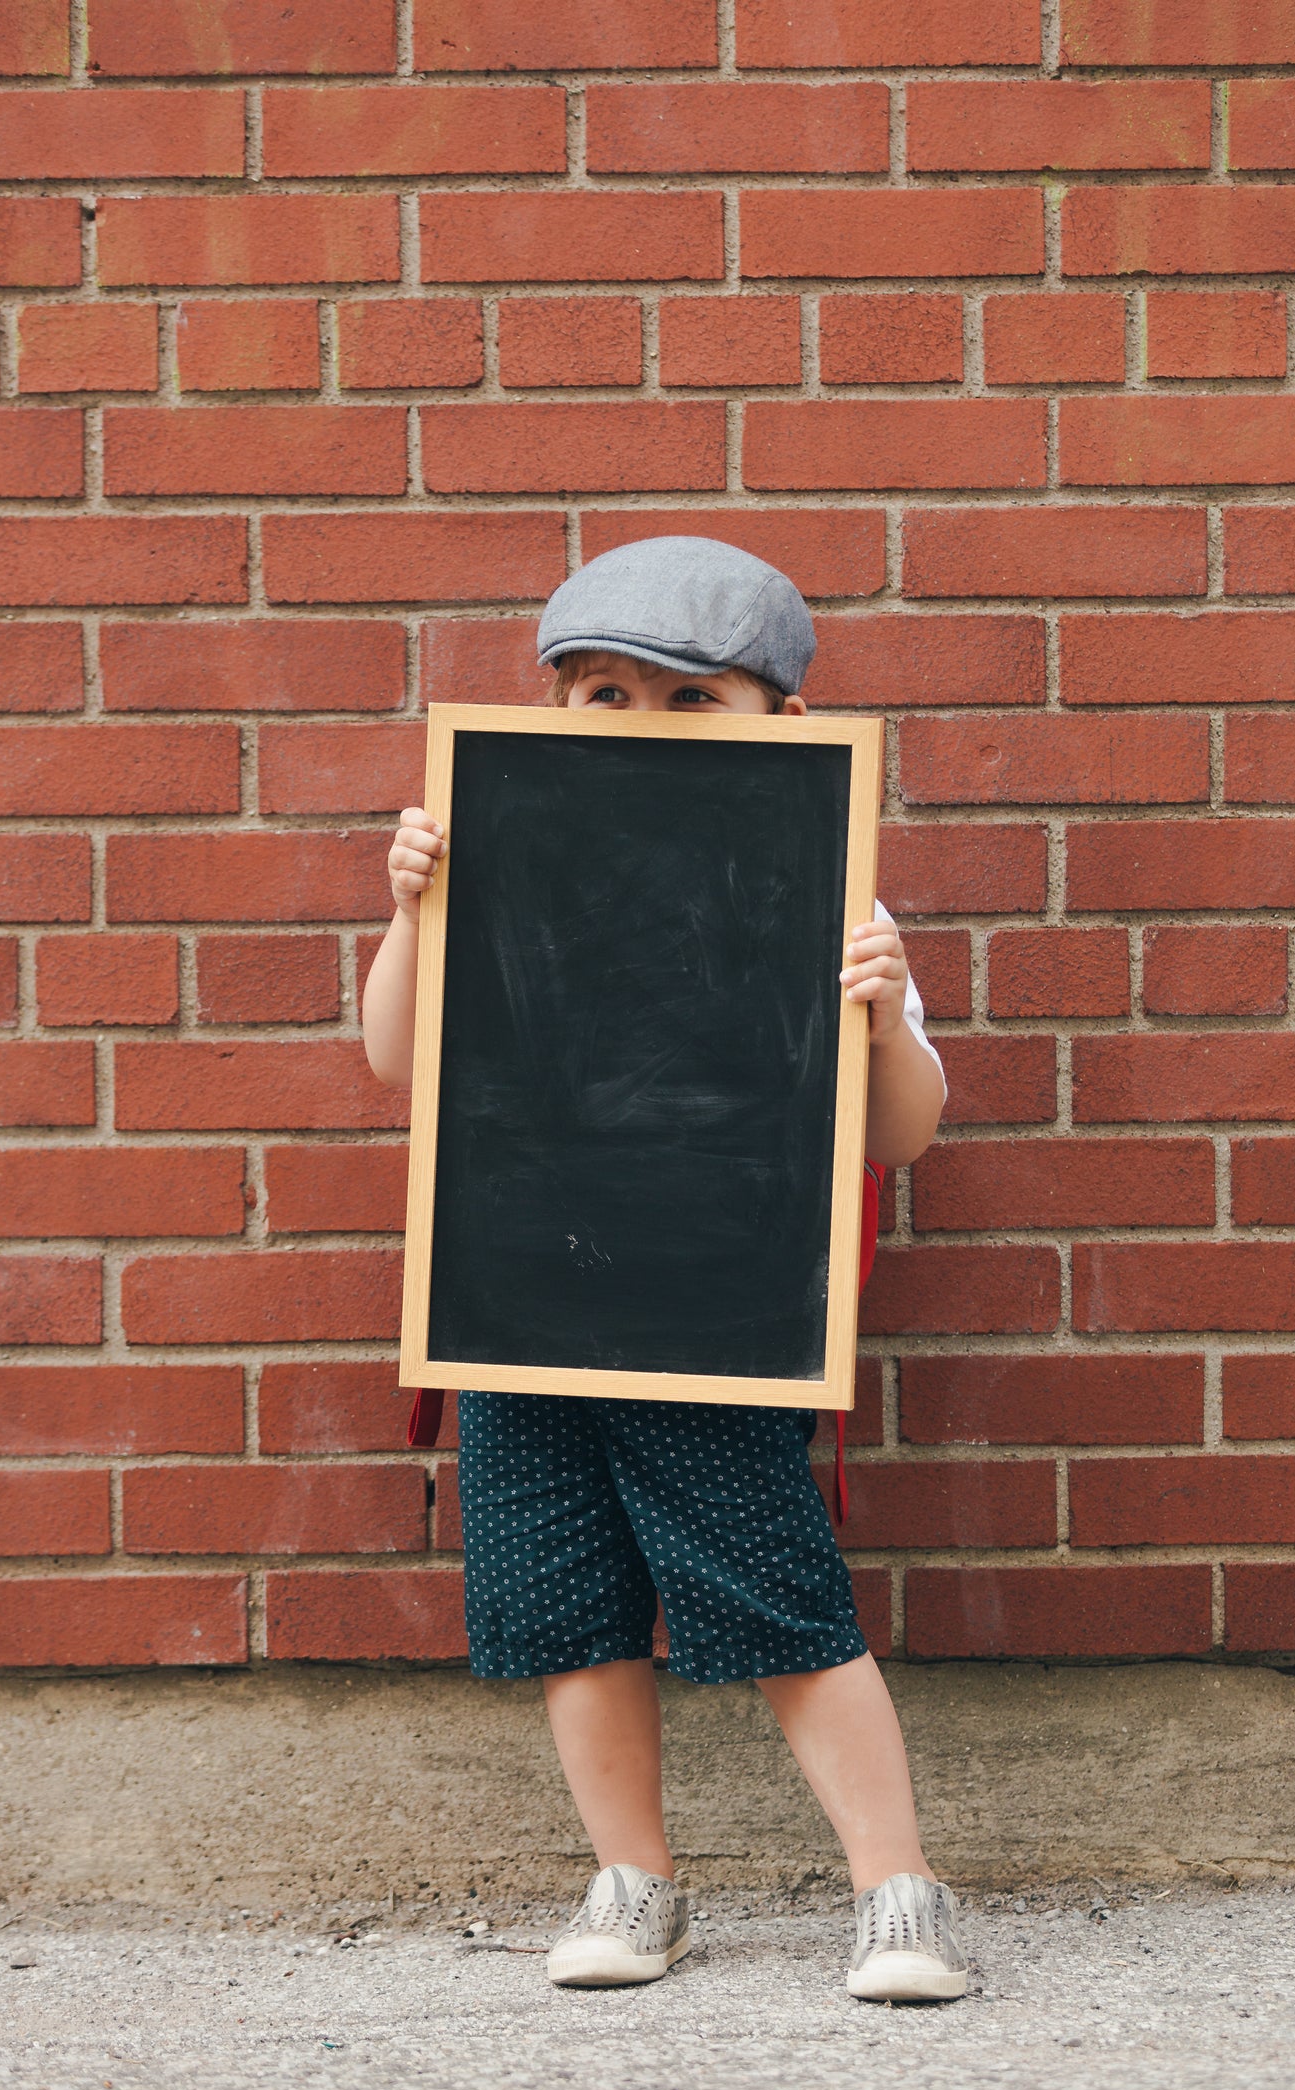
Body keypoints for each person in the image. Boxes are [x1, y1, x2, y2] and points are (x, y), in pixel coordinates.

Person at [362, 537, 966, 2002]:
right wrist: (407, 911)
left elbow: (903, 1131)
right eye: (602, 692)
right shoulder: (496, 864)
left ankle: (899, 1888)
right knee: (567, 1605)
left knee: (779, 1599)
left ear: (785, 730)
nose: (636, 725)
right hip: (523, 1310)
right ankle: (636, 1881)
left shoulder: (828, 897)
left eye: (690, 700)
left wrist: (883, 1011)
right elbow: (396, 1054)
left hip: (717, 1311)